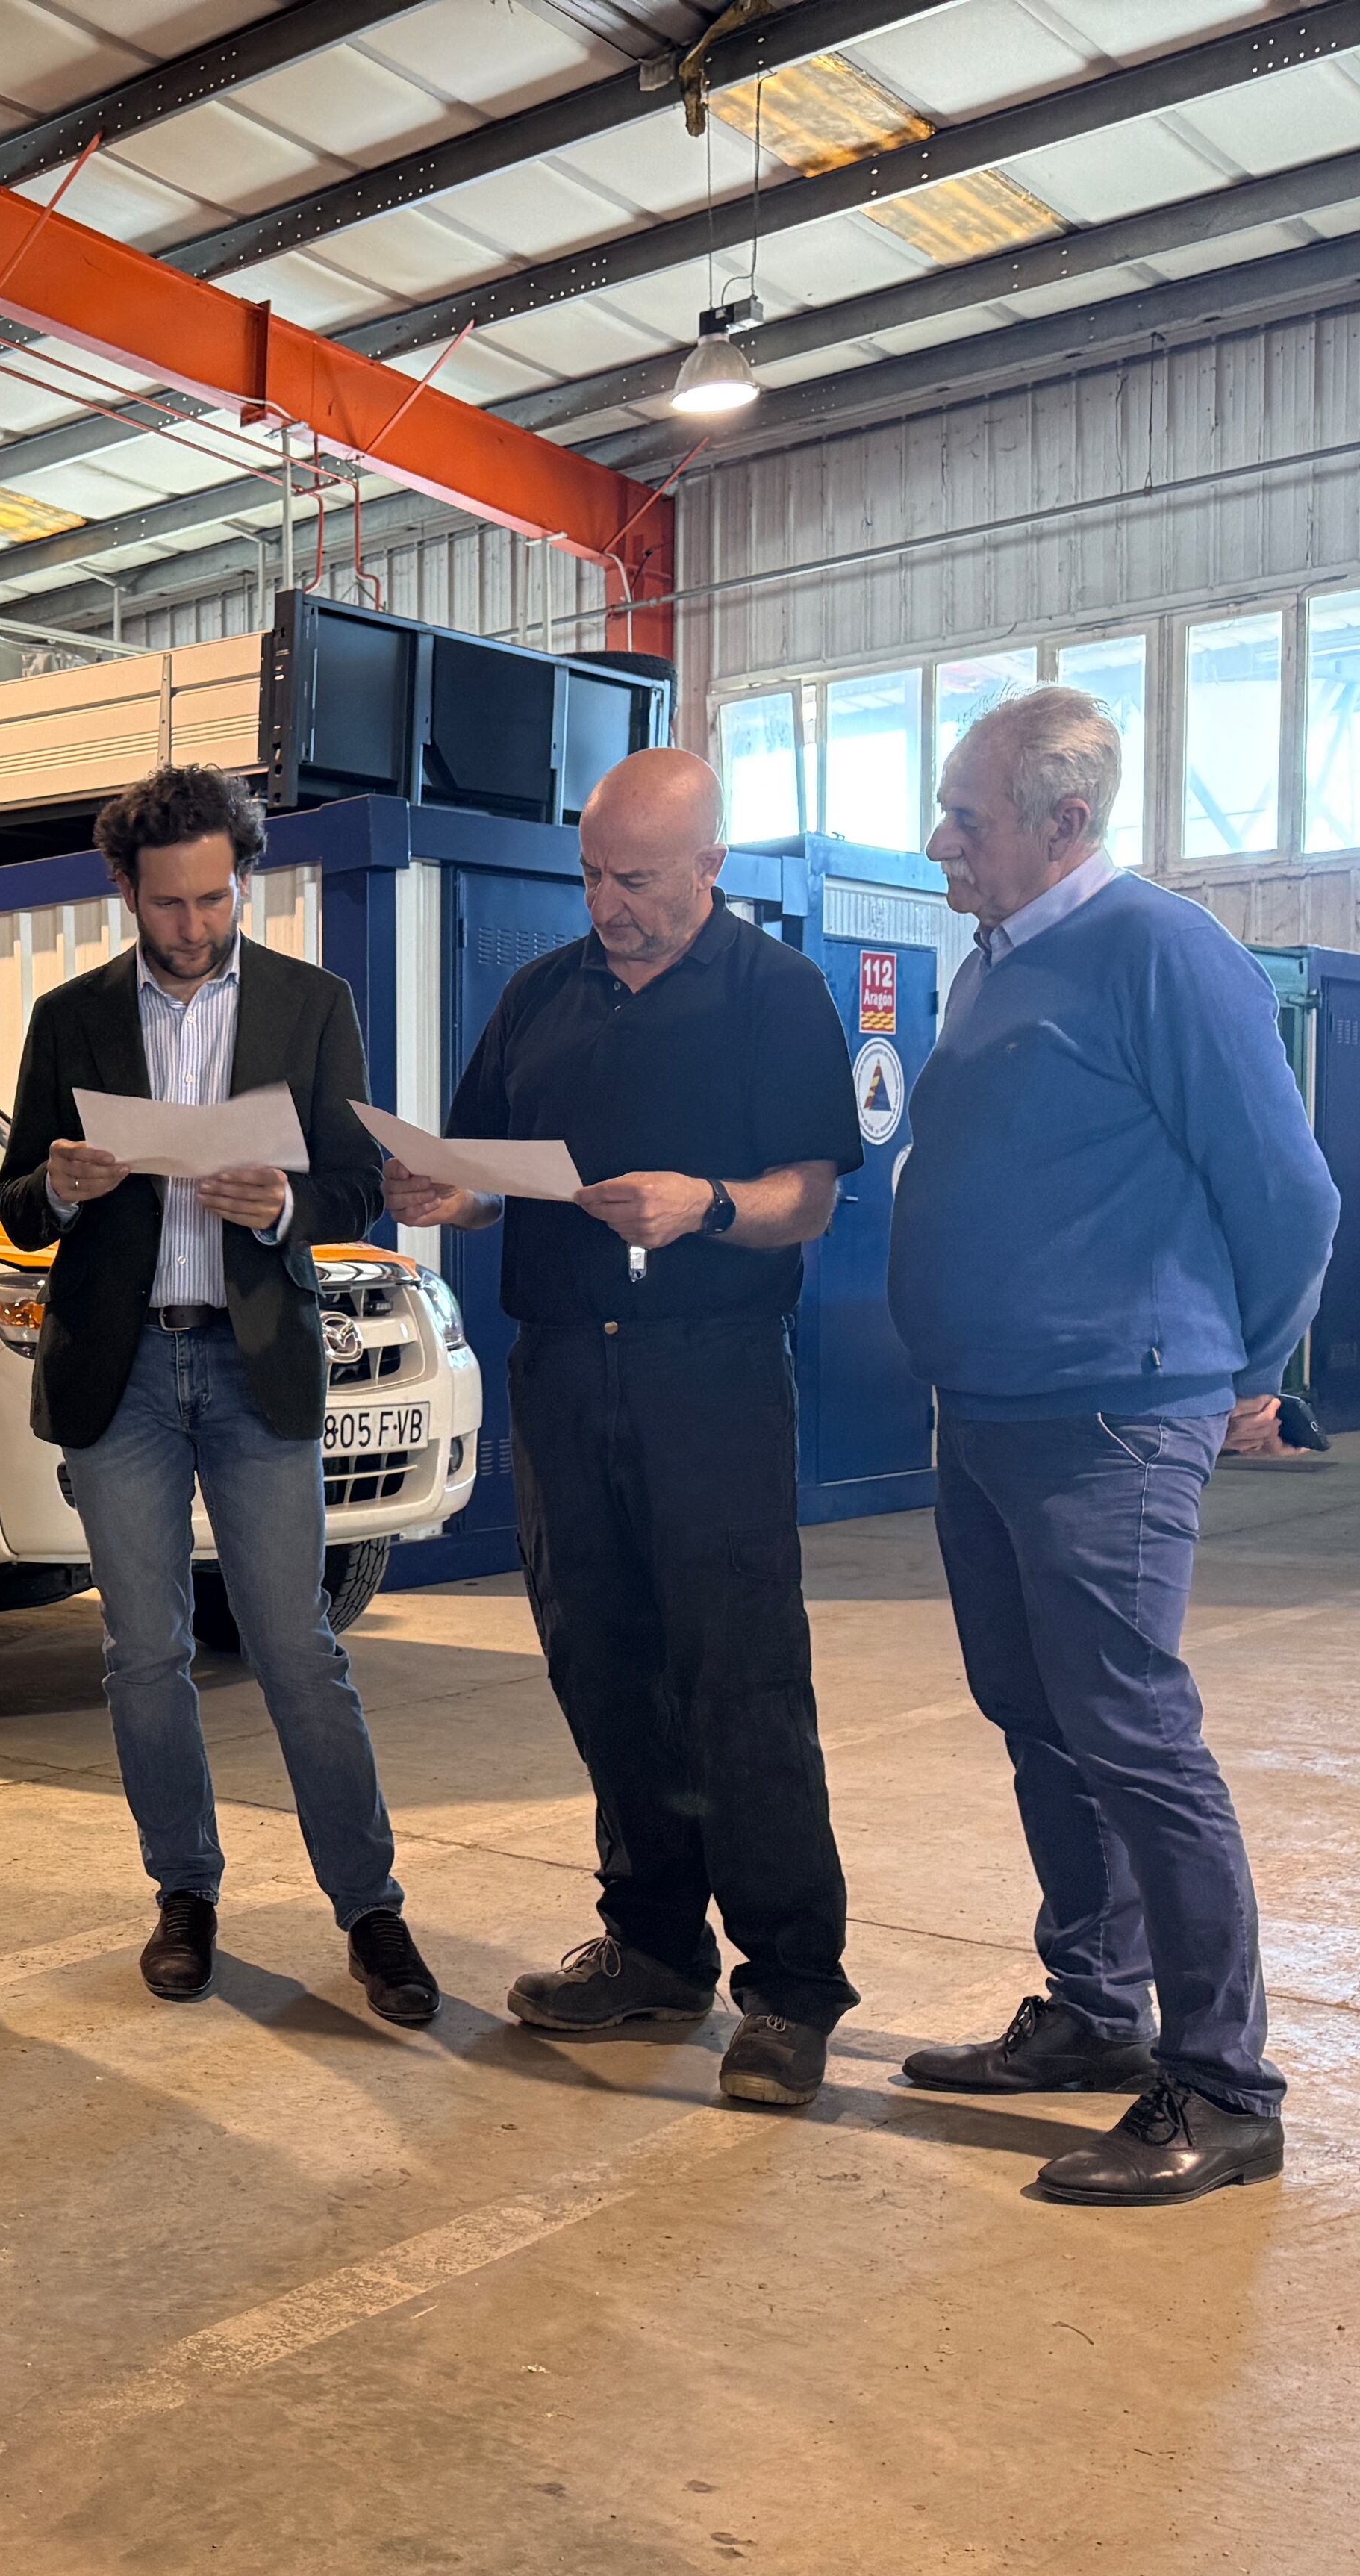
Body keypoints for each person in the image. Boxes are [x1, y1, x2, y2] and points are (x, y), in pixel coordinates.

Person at [893, 684, 1338, 2207]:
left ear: (1063, 823)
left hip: (1111, 1414)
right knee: (1038, 1715)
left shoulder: (1163, 951)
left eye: (966, 816)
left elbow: (1290, 1193)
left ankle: (1224, 2086)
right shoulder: (994, 964)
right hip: (989, 1409)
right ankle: (1095, 2009)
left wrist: (1244, 1374)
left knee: (1134, 1736)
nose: (940, 840)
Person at [386, 746, 864, 2108]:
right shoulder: (541, 995)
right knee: (600, 1659)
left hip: (710, 1374)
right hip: (561, 1372)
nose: (610, 906)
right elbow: (487, 1171)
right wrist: (450, 1195)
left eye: (639, 881)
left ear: (711, 866)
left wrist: (704, 1203)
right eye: (593, 876)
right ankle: (653, 1946)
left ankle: (791, 1986)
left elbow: (810, 1195)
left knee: (739, 1673)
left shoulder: (777, 992)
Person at [0, 765, 435, 2023]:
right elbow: (19, 1200)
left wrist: (289, 1206)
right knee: (144, 1653)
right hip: (120, 1369)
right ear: (124, 889)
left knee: (297, 1646)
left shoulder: (310, 1004)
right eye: (168, 902)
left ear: (242, 878)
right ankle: (183, 1890)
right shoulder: (70, 1016)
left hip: (255, 1361)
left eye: (214, 897)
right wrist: (59, 1188)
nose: (193, 926)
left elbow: (357, 1184)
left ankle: (371, 1908)